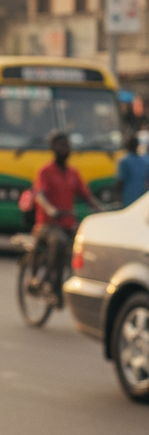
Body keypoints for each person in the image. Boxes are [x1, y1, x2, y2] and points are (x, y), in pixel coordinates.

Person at [33, 131, 100, 306]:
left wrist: (99, 208)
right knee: (59, 242)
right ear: (53, 149)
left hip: (68, 223)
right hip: (48, 224)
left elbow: (85, 195)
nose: (65, 149)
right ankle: (46, 280)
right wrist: (51, 209)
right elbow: (40, 195)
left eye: (67, 146)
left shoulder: (73, 173)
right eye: (61, 146)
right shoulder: (45, 171)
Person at [115, 135, 149, 208]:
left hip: (129, 196)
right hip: (142, 195)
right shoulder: (145, 161)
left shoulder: (124, 161)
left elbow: (120, 180)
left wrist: (116, 195)